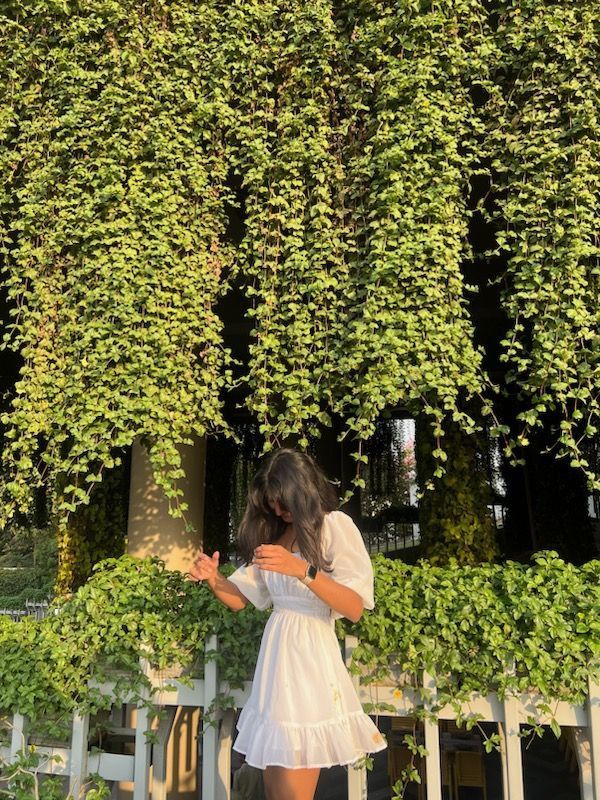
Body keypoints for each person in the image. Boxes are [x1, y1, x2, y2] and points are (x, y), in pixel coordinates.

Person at [189, 447, 387, 800]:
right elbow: (240, 598)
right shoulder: (277, 536)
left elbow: (354, 605)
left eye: (283, 503)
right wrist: (213, 578)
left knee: (293, 793)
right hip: (277, 667)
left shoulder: (334, 527)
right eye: (271, 505)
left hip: (310, 662)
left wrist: (302, 570)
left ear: (302, 491)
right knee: (273, 787)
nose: (278, 511)